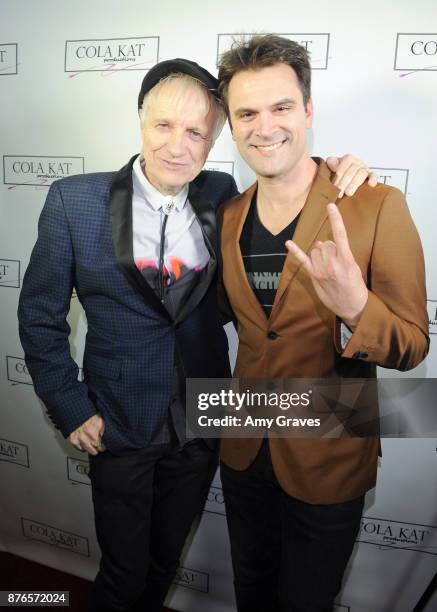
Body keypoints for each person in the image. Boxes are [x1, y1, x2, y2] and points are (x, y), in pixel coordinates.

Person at [18, 56, 375, 612]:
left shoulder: (220, 194)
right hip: (117, 421)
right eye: (163, 126)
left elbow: (287, 185)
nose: (178, 147)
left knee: (164, 564)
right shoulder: (74, 200)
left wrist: (339, 170)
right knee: (122, 572)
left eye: (196, 133)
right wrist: (69, 404)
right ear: (140, 120)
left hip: (205, 422)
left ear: (214, 142)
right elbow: (39, 315)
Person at [216, 35, 429, 612]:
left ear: (308, 111)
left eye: (282, 107)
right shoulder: (228, 214)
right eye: (247, 113)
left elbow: (412, 345)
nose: (266, 127)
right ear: (231, 128)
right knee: (252, 593)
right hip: (243, 446)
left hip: (331, 450)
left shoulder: (375, 203)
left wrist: (358, 309)